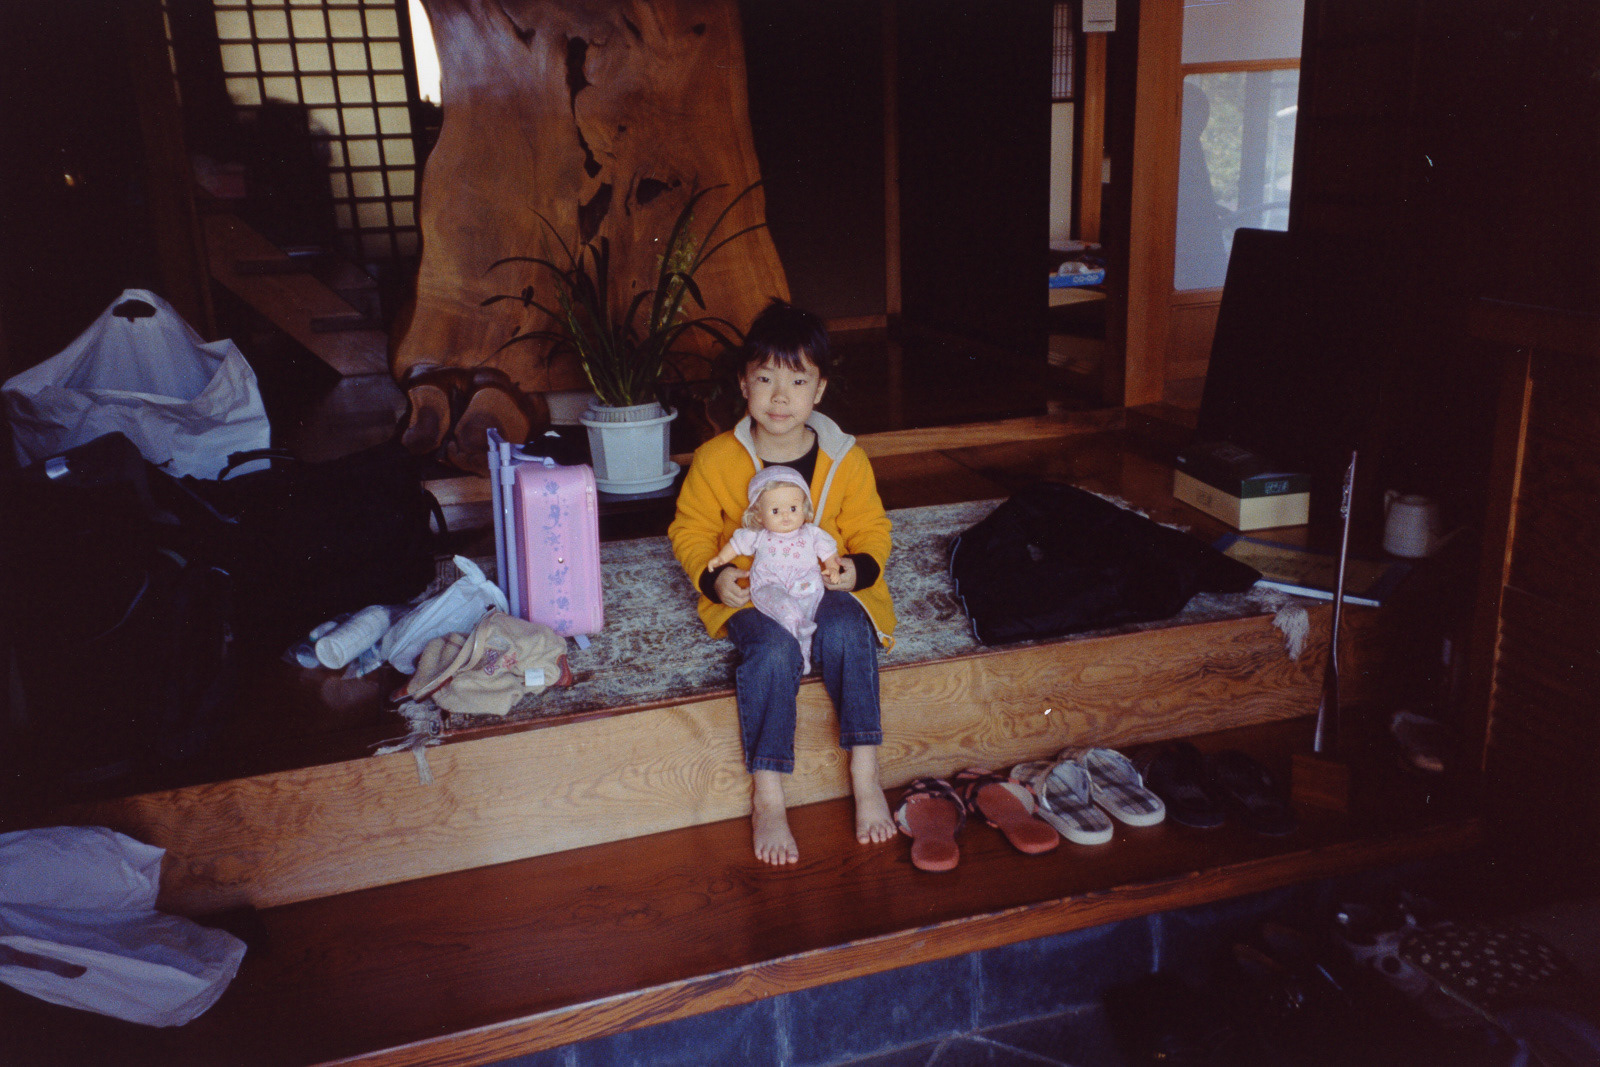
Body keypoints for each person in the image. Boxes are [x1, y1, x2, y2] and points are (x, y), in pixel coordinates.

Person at [669, 300, 897, 865]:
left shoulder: (846, 458)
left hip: (824, 585)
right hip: (757, 590)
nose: (779, 397)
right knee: (772, 651)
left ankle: (865, 770)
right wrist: (717, 577)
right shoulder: (715, 458)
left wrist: (857, 568)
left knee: (848, 630)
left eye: (797, 381)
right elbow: (690, 528)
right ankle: (767, 792)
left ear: (819, 390)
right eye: (765, 378)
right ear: (743, 383)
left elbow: (872, 527)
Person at [704, 466, 843, 675]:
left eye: (793, 508)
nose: (786, 516)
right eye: (775, 511)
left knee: (806, 611)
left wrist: (832, 568)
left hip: (804, 582)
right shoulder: (758, 534)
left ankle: (804, 650)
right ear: (759, 516)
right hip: (770, 584)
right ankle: (800, 639)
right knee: (785, 607)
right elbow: (736, 545)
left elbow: (829, 552)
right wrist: (720, 559)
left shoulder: (811, 533)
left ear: (804, 508)